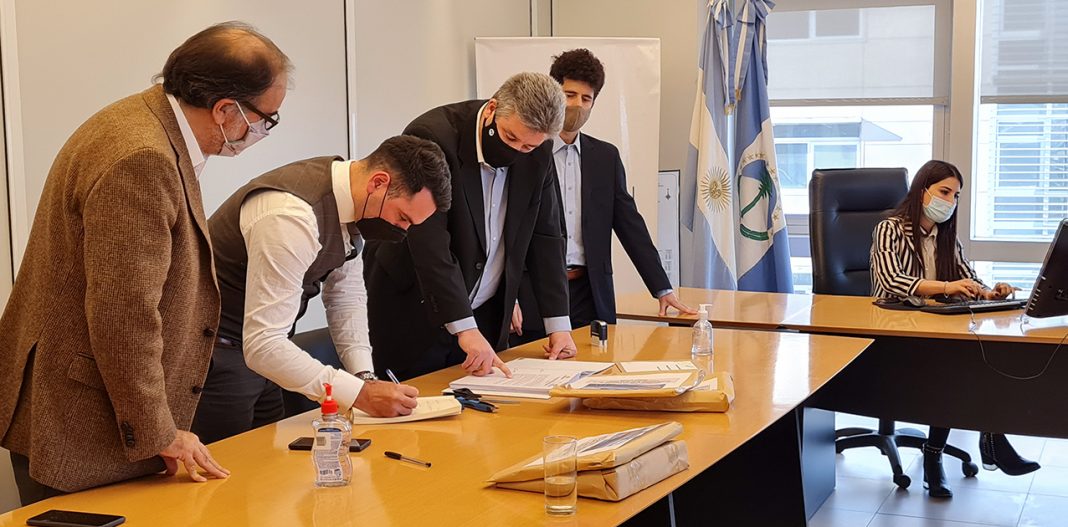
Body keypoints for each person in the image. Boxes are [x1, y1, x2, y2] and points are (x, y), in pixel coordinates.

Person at [0, 22, 289, 504]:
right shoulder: (143, 157)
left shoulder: (143, 122)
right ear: (225, 109)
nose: (261, 132)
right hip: (81, 418)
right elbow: (123, 313)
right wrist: (160, 431)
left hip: (90, 402)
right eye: (266, 118)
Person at [192, 136, 452, 444]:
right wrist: (359, 394)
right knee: (225, 467)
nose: (402, 231)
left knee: (268, 461)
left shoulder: (354, 204)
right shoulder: (291, 215)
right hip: (212, 356)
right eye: (402, 217)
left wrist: (364, 377)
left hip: (266, 357)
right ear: (378, 183)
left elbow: (346, 297)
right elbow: (262, 343)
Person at [364, 72, 578, 381]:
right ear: (492, 109)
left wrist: (558, 326)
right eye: (510, 138)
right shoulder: (433, 136)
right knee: (416, 401)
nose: (517, 150)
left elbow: (546, 236)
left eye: (528, 146)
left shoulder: (539, 150)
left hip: (485, 309)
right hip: (415, 304)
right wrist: (464, 327)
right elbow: (429, 242)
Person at [871, 159, 1040, 498]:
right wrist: (947, 287)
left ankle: (977, 441)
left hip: (934, 330)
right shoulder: (889, 228)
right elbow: (892, 280)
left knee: (975, 359)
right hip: (893, 332)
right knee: (953, 369)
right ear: (922, 191)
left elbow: (968, 278)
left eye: (956, 195)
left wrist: (990, 292)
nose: (950, 201)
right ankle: (972, 445)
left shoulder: (946, 236)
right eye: (944, 192)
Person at [512, 49, 694, 344]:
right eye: (570, 95)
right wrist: (508, 297)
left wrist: (662, 288)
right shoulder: (526, 151)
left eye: (586, 99)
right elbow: (506, 229)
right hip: (533, 292)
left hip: (590, 294)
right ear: (554, 95)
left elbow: (630, 226)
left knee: (594, 367)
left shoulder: (605, 157)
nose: (577, 105)